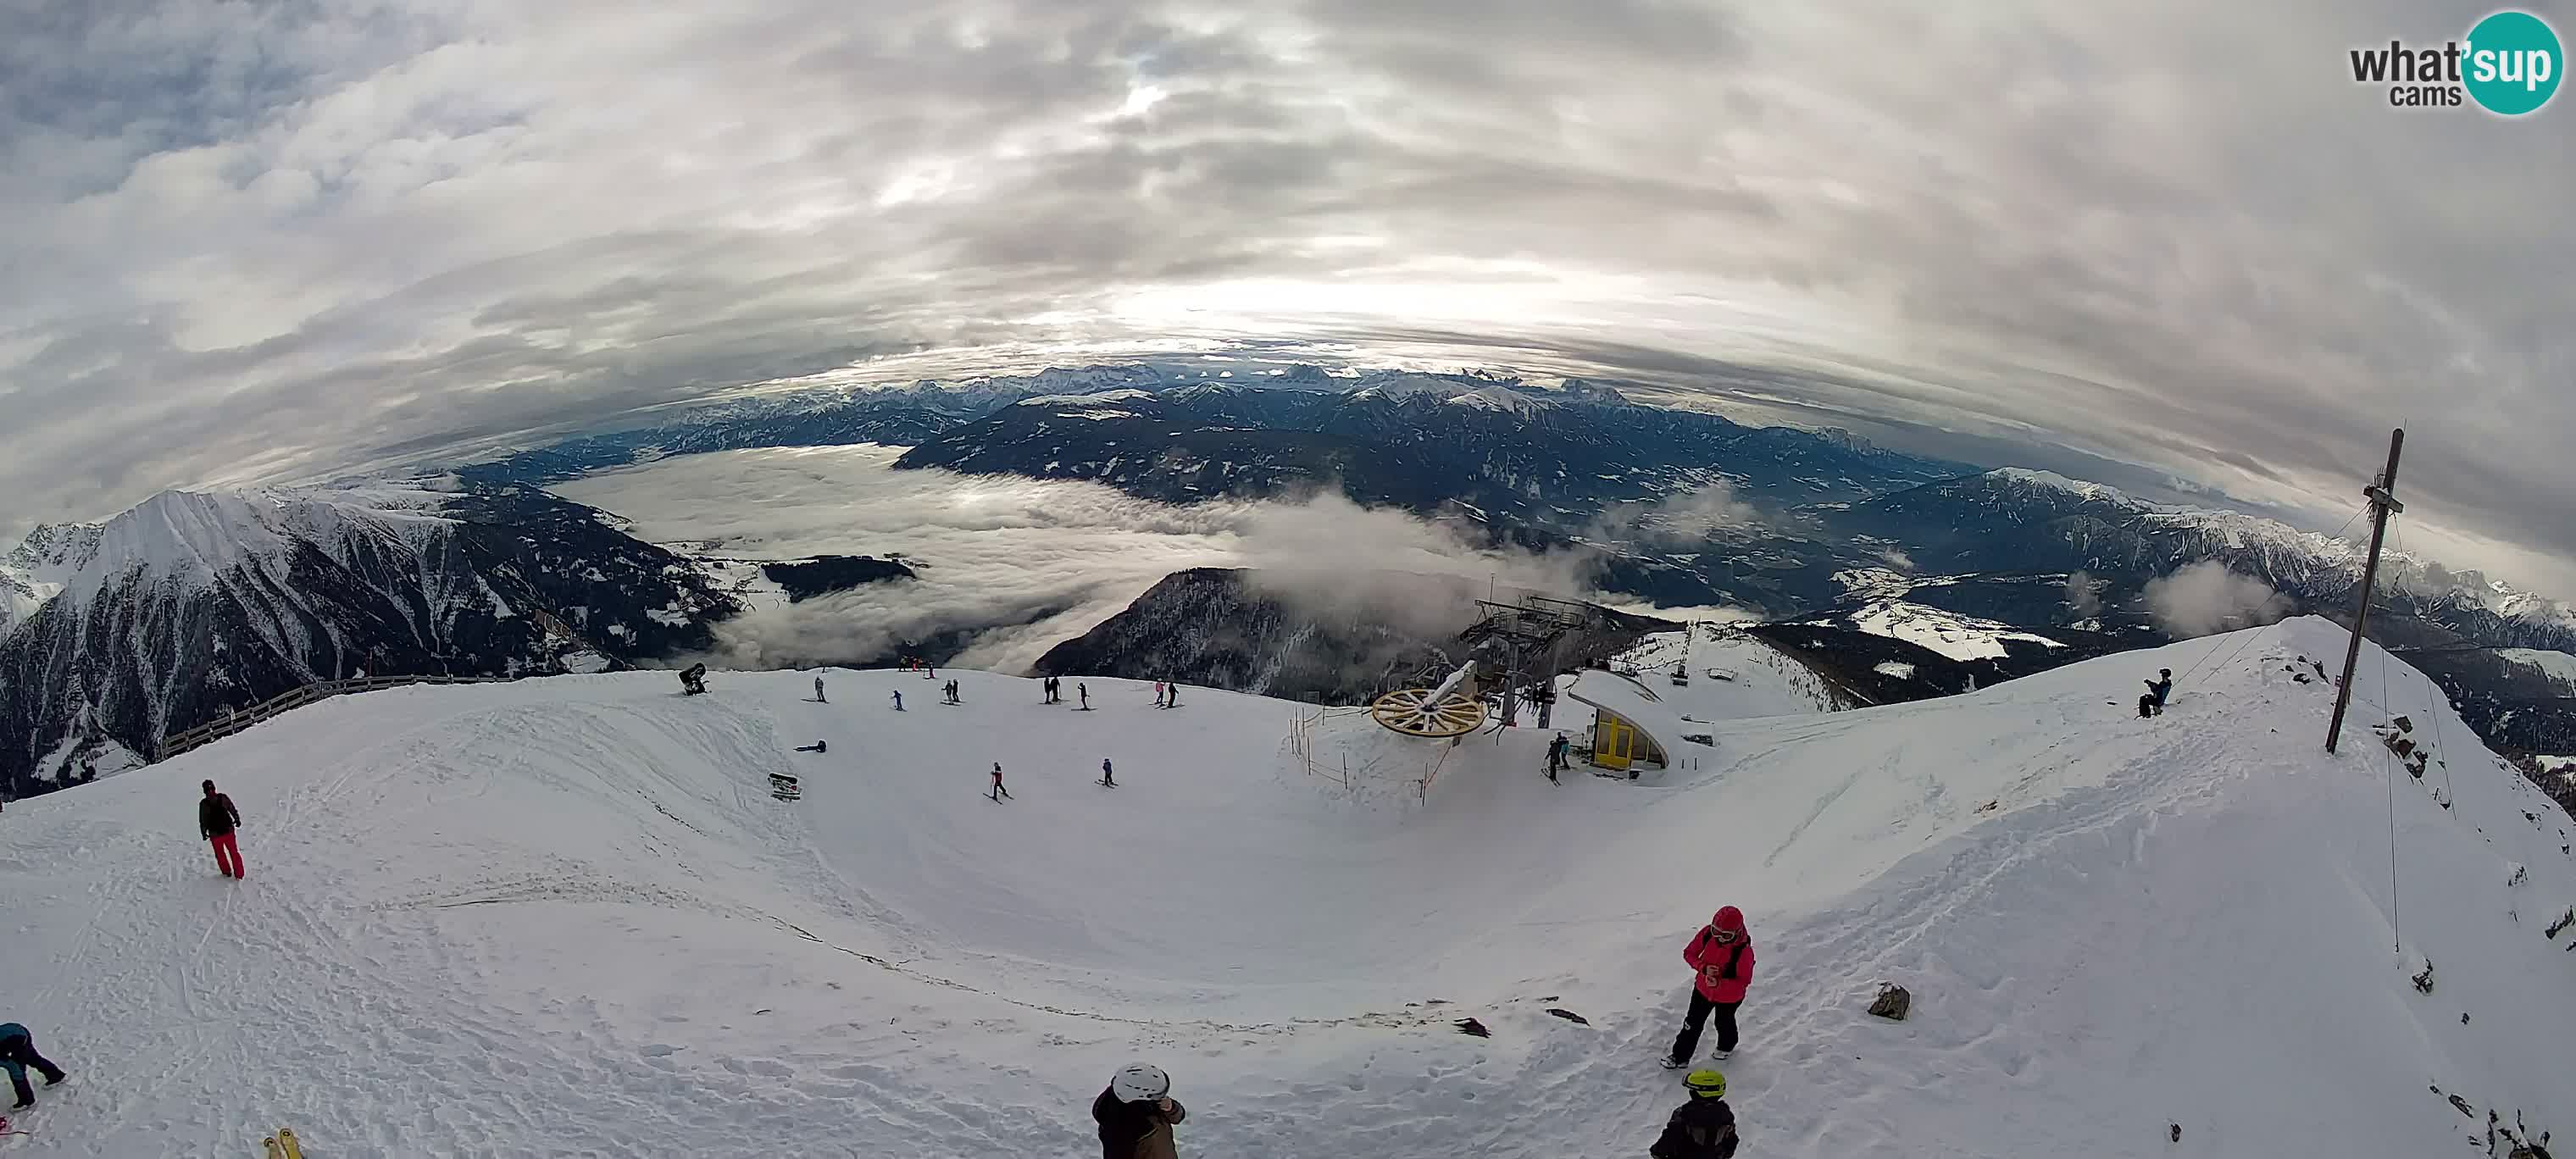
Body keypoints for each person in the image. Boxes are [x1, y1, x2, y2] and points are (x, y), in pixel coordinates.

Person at [1666, 907, 1754, 1068]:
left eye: (1726, 935)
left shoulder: (1744, 952)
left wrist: (1720, 983)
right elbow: (1689, 953)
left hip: (1729, 998)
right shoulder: (1707, 935)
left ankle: (1727, 1046)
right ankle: (1680, 1057)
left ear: (1737, 932)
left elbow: (1744, 981)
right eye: (1716, 931)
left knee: (1723, 1022)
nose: (1719, 938)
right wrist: (1703, 968)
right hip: (1702, 990)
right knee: (1692, 1023)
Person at [1092, 1062, 1186, 1159]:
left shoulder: (1148, 1099)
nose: (1162, 1097)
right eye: (1158, 1095)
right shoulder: (1119, 1130)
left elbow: (1177, 1118)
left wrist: (1171, 1108)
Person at [1649, 1069, 1739, 1159]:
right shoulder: (1726, 1116)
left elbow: (1668, 1140)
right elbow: (1732, 1143)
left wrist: (1656, 1152)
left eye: (1692, 1089)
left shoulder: (1684, 1116)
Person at [0, 1023, 67, 1110]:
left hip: (20, 1038)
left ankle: (27, 1101)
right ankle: (56, 1075)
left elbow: (10, 1064)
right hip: (16, 1031)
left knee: (17, 1070)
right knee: (32, 1059)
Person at [200, 779, 244, 879]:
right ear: (214, 788)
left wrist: (204, 833)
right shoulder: (222, 797)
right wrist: (237, 819)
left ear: (204, 791)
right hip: (228, 831)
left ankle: (226, 871)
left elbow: (203, 820)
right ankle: (239, 874)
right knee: (234, 852)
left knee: (220, 854)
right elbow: (231, 808)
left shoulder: (204, 804)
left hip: (215, 835)